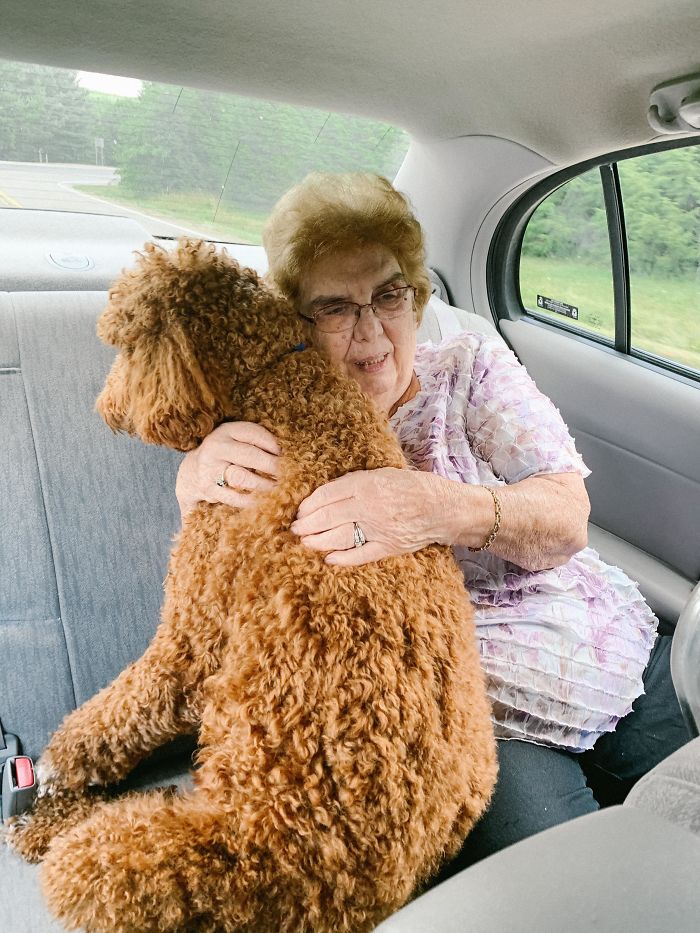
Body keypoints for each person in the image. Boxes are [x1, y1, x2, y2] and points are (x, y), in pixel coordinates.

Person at [175, 172, 690, 874]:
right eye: (333, 307)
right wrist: (192, 479)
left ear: (416, 297)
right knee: (571, 889)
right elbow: (225, 579)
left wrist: (437, 508)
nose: (371, 333)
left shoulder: (469, 369)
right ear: (292, 320)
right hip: (465, 710)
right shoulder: (271, 422)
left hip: (594, 643)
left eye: (389, 295)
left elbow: (567, 516)